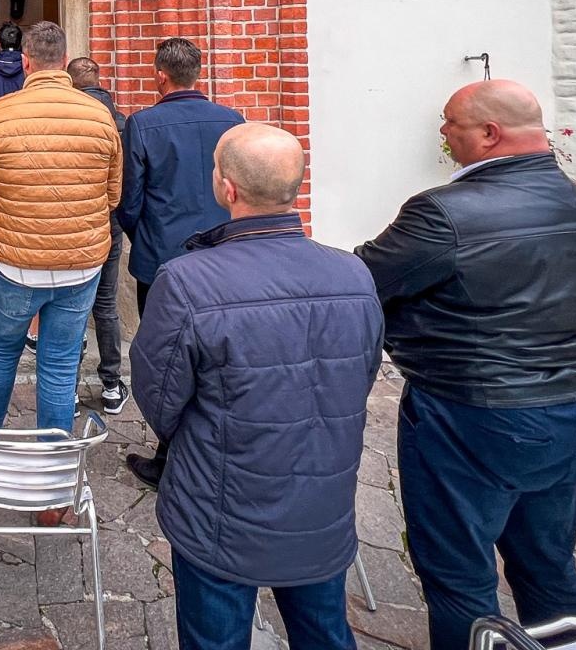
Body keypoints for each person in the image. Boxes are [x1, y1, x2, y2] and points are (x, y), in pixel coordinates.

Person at [356, 80, 576, 650]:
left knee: (458, 574)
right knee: (548, 562)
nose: (443, 133)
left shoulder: (446, 214)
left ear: (489, 133)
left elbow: (363, 281)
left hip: (475, 415)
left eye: (450, 122)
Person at [132, 123, 382, 650]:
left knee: (217, 636)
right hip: (320, 495)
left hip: (220, 505)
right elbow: (358, 376)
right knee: (323, 630)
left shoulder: (187, 280)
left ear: (226, 188)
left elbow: (159, 399)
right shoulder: (355, 274)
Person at [0, 21, 122, 442]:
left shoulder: (0, 113)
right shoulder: (99, 115)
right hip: (80, 266)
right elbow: (112, 194)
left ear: (26, 62)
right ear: (65, 63)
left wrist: (7, 222)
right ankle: (54, 481)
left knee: (0, 353)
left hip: (14, 265)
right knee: (60, 363)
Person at [117, 37, 245, 487]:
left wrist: (141, 237)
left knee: (168, 360)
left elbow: (129, 198)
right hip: (225, 256)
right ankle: (215, 449)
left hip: (163, 259)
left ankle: (170, 454)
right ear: (198, 72)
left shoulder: (144, 123)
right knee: (223, 354)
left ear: (160, 75)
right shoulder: (232, 121)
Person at [66, 55, 129, 414]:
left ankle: (68, 390)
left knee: (70, 307)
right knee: (106, 306)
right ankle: (110, 385)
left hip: (75, 224)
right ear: (100, 80)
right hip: (111, 221)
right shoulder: (122, 121)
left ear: (71, 83)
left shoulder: (72, 120)